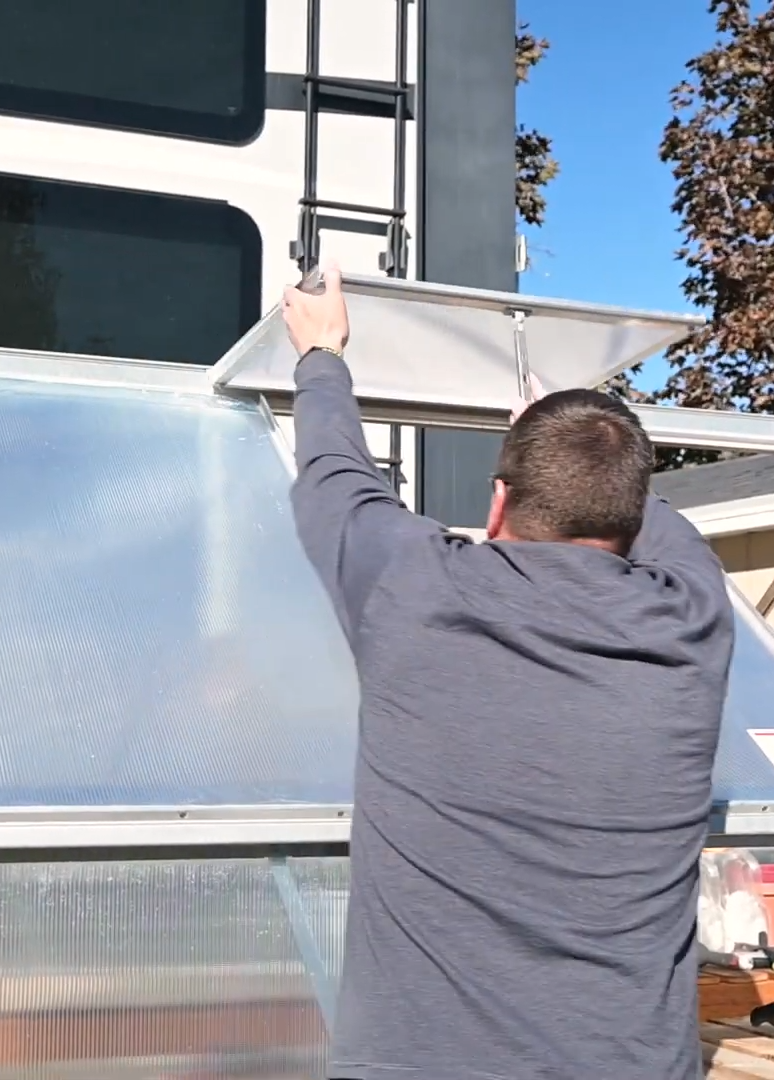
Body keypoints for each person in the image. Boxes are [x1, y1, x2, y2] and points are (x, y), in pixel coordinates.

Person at [284, 260, 736, 1080]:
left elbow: (334, 476)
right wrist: (575, 442)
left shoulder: (417, 587)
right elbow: (656, 525)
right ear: (632, 520)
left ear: (498, 502)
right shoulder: (694, 620)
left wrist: (324, 354)